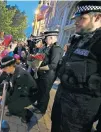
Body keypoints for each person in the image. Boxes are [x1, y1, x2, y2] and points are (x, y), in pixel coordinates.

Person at [51, 1, 101, 132]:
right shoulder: (78, 40)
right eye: (76, 18)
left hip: (79, 119)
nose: (76, 22)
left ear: (97, 17)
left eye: (82, 18)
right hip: (61, 108)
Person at [32, 31, 63, 114]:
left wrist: (39, 68)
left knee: (45, 91)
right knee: (40, 90)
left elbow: (53, 65)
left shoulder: (56, 48)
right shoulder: (48, 47)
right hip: (43, 73)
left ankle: (42, 109)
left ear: (51, 38)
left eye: (46, 38)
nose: (45, 40)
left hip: (49, 75)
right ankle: (39, 104)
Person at [0, 56, 38, 123]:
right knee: (6, 98)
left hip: (29, 95)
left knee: (11, 105)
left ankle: (26, 114)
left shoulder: (21, 75)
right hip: (20, 91)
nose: (3, 70)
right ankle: (13, 110)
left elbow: (16, 94)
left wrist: (6, 99)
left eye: (5, 68)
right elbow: (8, 80)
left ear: (11, 66)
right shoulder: (13, 70)